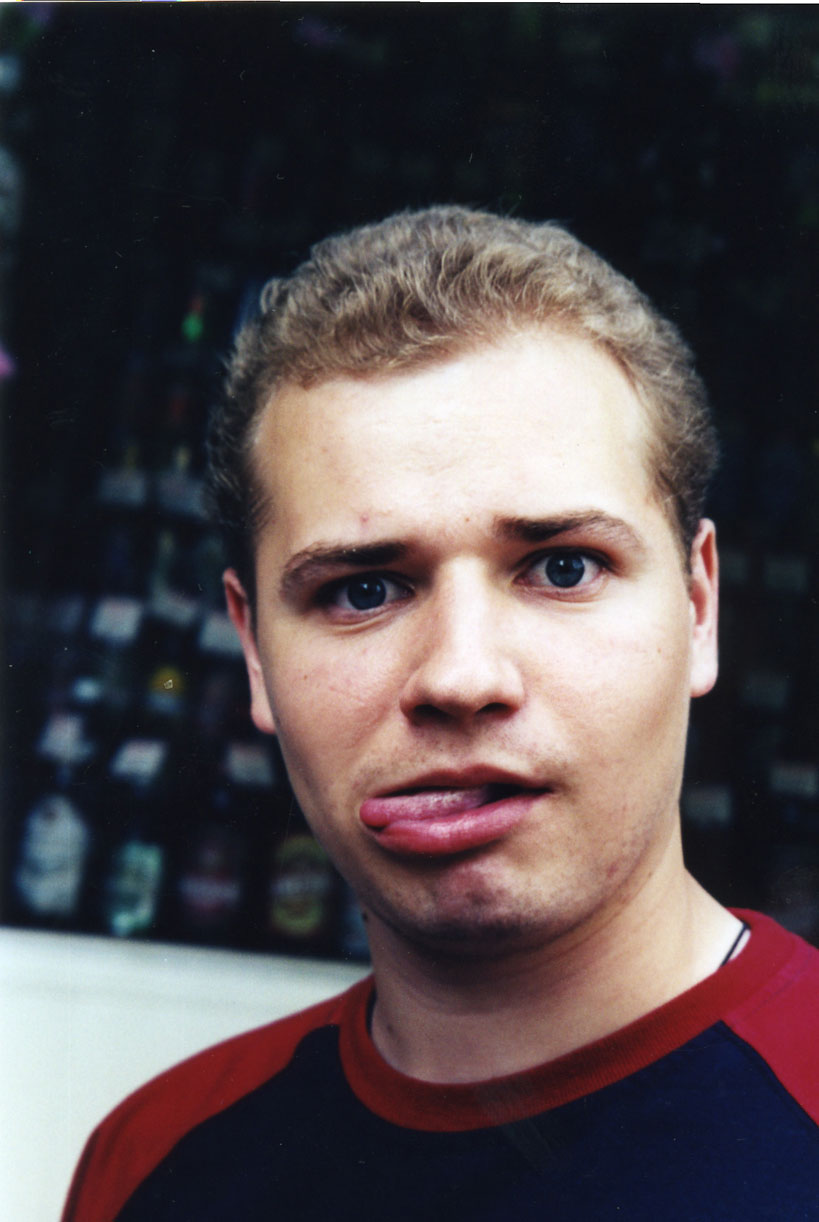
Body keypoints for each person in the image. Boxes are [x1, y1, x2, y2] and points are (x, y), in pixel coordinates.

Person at [63, 207, 819, 1221]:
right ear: (254, 651)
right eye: (363, 590)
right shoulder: (151, 1165)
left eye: (562, 568)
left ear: (697, 609)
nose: (460, 677)